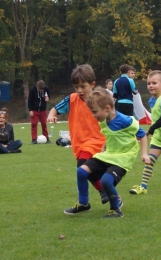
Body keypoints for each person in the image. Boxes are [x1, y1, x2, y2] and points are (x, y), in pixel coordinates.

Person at [64, 87, 150, 218]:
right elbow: (110, 134)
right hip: (108, 155)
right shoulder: (104, 120)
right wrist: (104, 145)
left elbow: (142, 134)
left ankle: (115, 209)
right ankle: (83, 204)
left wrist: (144, 154)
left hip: (123, 158)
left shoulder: (125, 121)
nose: (93, 115)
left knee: (106, 181)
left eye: (95, 112)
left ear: (107, 108)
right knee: (81, 171)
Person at [47, 64, 112, 205]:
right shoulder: (71, 99)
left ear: (92, 84)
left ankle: (84, 203)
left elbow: (112, 116)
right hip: (79, 144)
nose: (79, 90)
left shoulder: (100, 100)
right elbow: (55, 109)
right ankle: (104, 191)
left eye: (83, 86)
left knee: (82, 168)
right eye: (76, 87)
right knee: (88, 171)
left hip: (97, 142)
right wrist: (51, 115)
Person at [129, 70, 161, 195]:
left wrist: (150, 130)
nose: (151, 86)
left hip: (155, 133)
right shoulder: (151, 100)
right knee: (149, 161)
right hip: (158, 138)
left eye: (154, 83)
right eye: (149, 83)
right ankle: (143, 186)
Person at [28, 80, 50, 144]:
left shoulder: (46, 89)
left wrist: (47, 98)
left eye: (41, 89)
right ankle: (34, 139)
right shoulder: (32, 90)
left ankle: (47, 138)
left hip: (43, 110)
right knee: (34, 124)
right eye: (39, 89)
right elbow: (30, 100)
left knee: (44, 124)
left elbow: (48, 96)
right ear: (37, 86)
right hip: (34, 110)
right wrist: (30, 110)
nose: (40, 90)